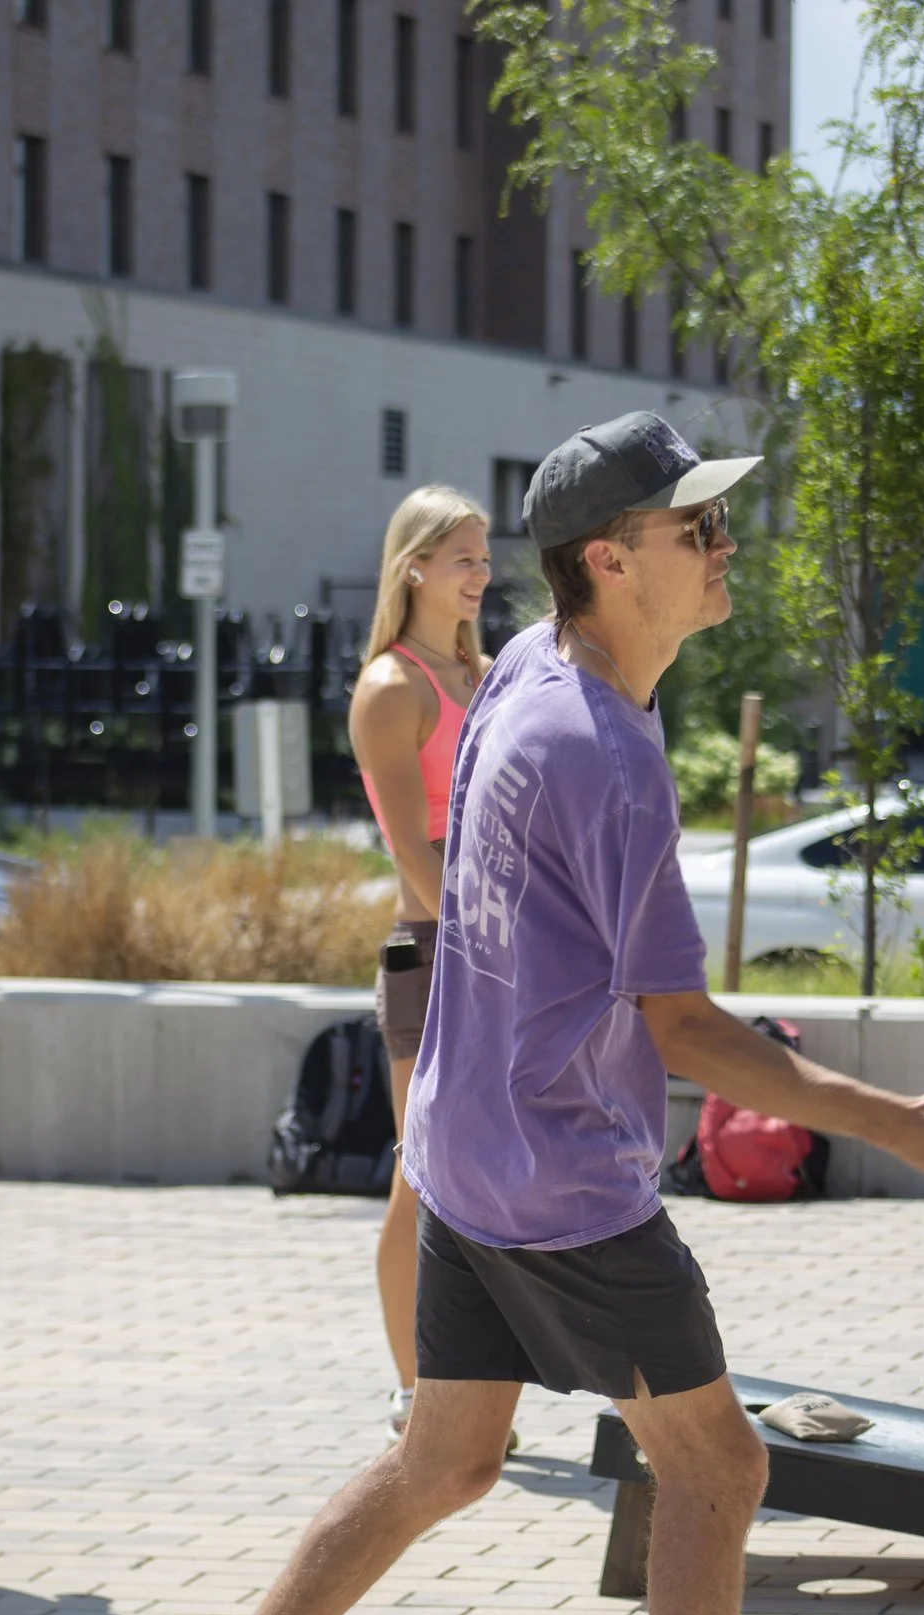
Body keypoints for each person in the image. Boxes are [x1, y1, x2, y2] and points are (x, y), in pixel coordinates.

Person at [218, 412, 924, 1615]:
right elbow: (685, 1024)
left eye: (718, 519)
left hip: (466, 1149)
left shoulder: (534, 669)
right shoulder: (603, 752)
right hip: (559, 1179)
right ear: (608, 558)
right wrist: (901, 1124)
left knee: (448, 1459)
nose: (723, 546)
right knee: (718, 1469)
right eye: (694, 528)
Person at [347, 485, 496, 1442]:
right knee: (424, 1170)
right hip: (435, 953)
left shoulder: (488, 676)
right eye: (464, 561)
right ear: (414, 568)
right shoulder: (393, 687)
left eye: (486, 560)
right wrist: (488, 945)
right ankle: (415, 1388)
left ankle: (477, 1375)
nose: (482, 576)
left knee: (492, 1173)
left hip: (500, 948)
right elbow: (411, 848)